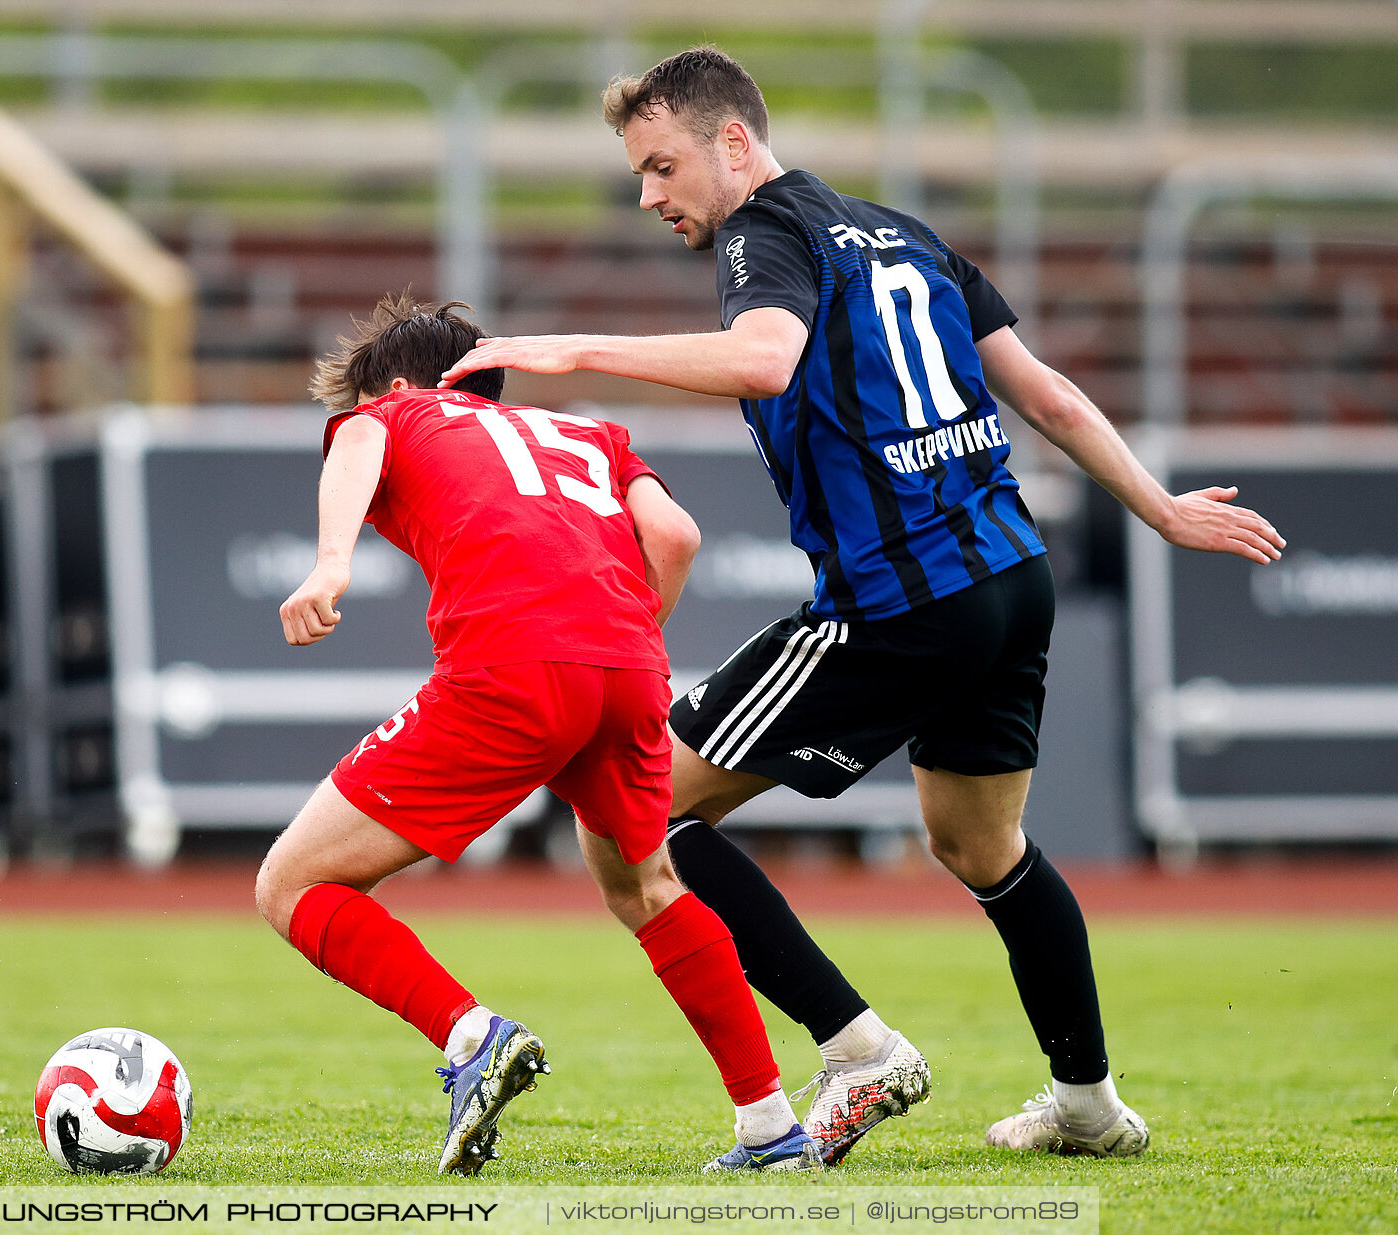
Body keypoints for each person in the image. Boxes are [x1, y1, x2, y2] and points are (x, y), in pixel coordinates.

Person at [440, 46, 1285, 1163]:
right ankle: (1087, 1101)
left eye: (660, 166)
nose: (649, 196)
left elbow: (766, 358)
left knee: (630, 813)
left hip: (903, 598)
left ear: (733, 143)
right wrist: (1160, 509)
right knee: (982, 847)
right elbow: (1048, 393)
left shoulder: (762, 234)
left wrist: (568, 350)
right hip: (1007, 577)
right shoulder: (902, 232)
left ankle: (859, 1050)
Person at [255, 291, 824, 1175]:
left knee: (292, 883)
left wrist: (332, 562)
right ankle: (771, 1126)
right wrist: (625, 639)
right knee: (649, 885)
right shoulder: (588, 435)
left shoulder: (394, 412)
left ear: (403, 383)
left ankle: (471, 1035)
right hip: (630, 669)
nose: (356, 416)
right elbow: (675, 534)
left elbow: (364, 438)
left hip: (512, 668)